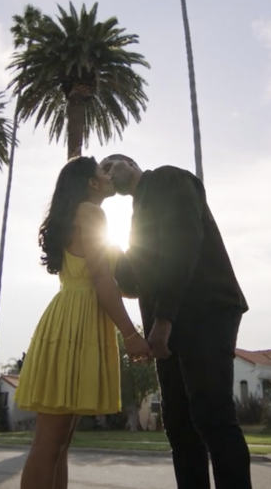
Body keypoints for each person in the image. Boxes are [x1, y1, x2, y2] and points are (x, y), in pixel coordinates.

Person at [101, 154, 252, 489]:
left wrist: (164, 318)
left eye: (111, 164)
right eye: (101, 170)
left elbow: (183, 244)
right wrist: (107, 248)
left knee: (212, 416)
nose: (106, 172)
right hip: (165, 328)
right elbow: (132, 284)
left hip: (205, 310)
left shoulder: (168, 179)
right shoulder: (136, 218)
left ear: (130, 163)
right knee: (179, 425)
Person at [15, 156, 153, 489]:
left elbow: (117, 281)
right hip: (75, 325)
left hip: (72, 321)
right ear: (92, 183)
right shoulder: (91, 213)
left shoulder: (77, 215)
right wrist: (130, 334)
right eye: (102, 172)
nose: (108, 175)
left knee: (59, 444)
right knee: (50, 443)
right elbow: (102, 279)